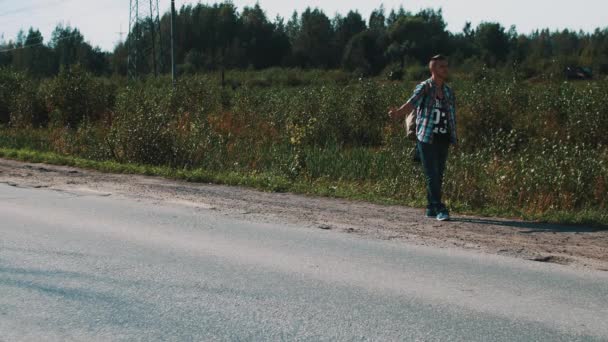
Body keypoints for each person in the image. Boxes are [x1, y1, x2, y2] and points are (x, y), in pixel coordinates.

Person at [388, 55, 457, 221]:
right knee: (431, 173)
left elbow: (452, 116)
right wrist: (398, 113)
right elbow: (412, 103)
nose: (445, 69)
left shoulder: (448, 91)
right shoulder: (425, 87)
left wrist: (454, 137)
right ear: (433, 69)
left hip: (443, 137)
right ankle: (440, 207)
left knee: (438, 174)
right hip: (426, 137)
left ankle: (430, 208)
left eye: (446, 66)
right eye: (442, 66)